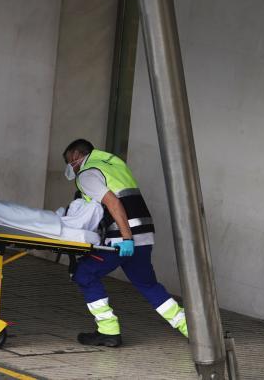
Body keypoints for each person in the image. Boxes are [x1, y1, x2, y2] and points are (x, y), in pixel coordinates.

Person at [63, 138, 188, 347]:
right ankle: (191, 329)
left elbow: (114, 203)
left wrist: (126, 238)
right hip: (145, 234)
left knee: (84, 274)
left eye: (68, 161)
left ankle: (108, 330)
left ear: (76, 156)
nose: (69, 168)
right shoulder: (115, 166)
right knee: (147, 284)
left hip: (122, 238)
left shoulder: (87, 174)